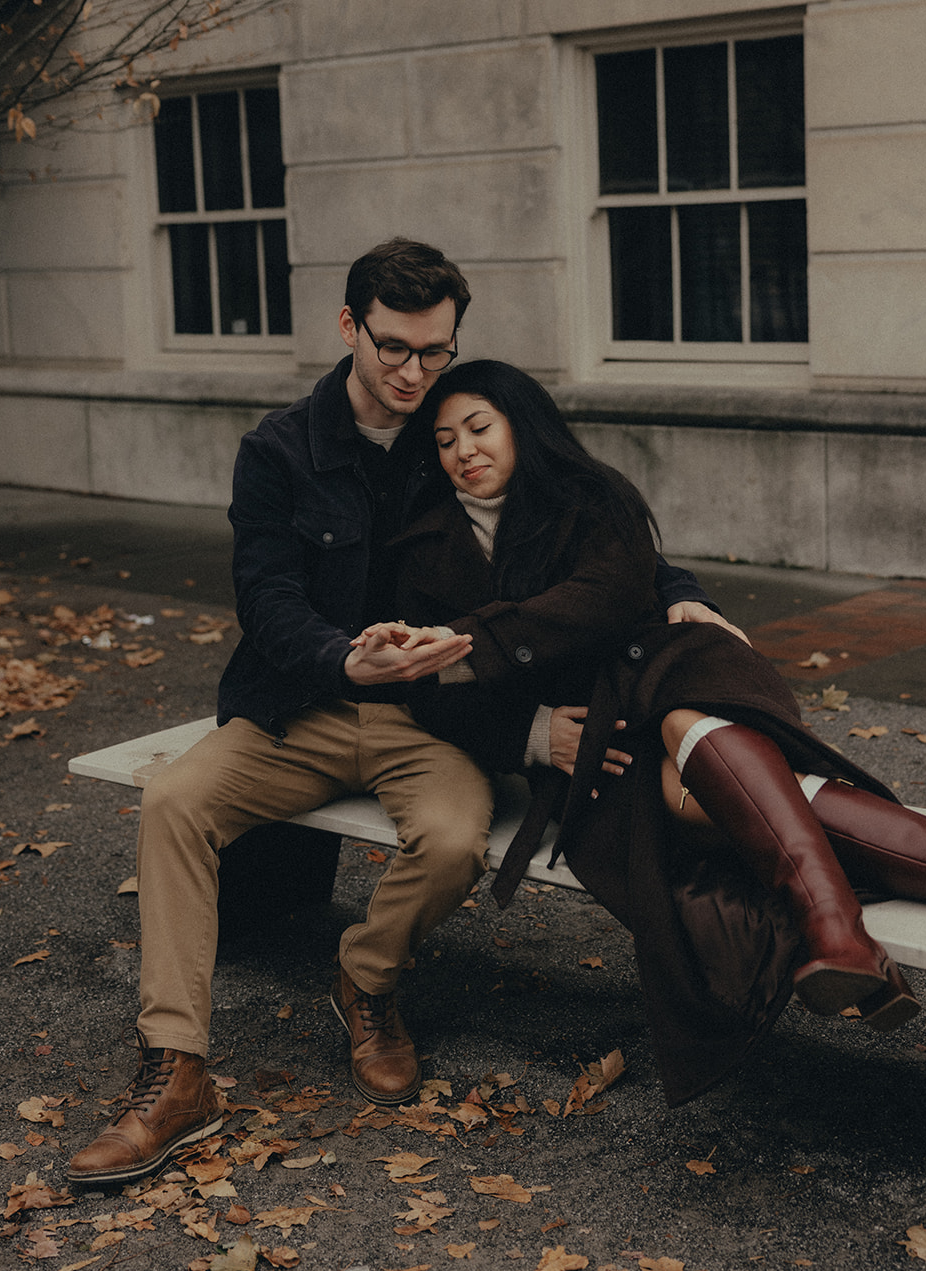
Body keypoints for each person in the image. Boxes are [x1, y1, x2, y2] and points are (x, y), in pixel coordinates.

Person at [68, 241, 721, 1187]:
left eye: (435, 352)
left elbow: (567, 506)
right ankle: (175, 1073)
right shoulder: (280, 450)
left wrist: (678, 589)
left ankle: (367, 980)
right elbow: (267, 599)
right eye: (394, 351)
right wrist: (344, 656)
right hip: (302, 706)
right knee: (173, 802)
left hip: (434, 720)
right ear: (348, 328)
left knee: (456, 840)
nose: (414, 374)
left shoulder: (446, 429)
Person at [382, 360, 926, 1103]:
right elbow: (429, 698)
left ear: (519, 425)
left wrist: (464, 644)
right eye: (443, 441)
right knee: (733, 793)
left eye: (478, 427)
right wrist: (531, 734)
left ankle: (837, 928)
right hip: (604, 745)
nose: (463, 451)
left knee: (683, 716)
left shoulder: (591, 498)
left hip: (674, 669)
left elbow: (604, 601)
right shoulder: (425, 547)